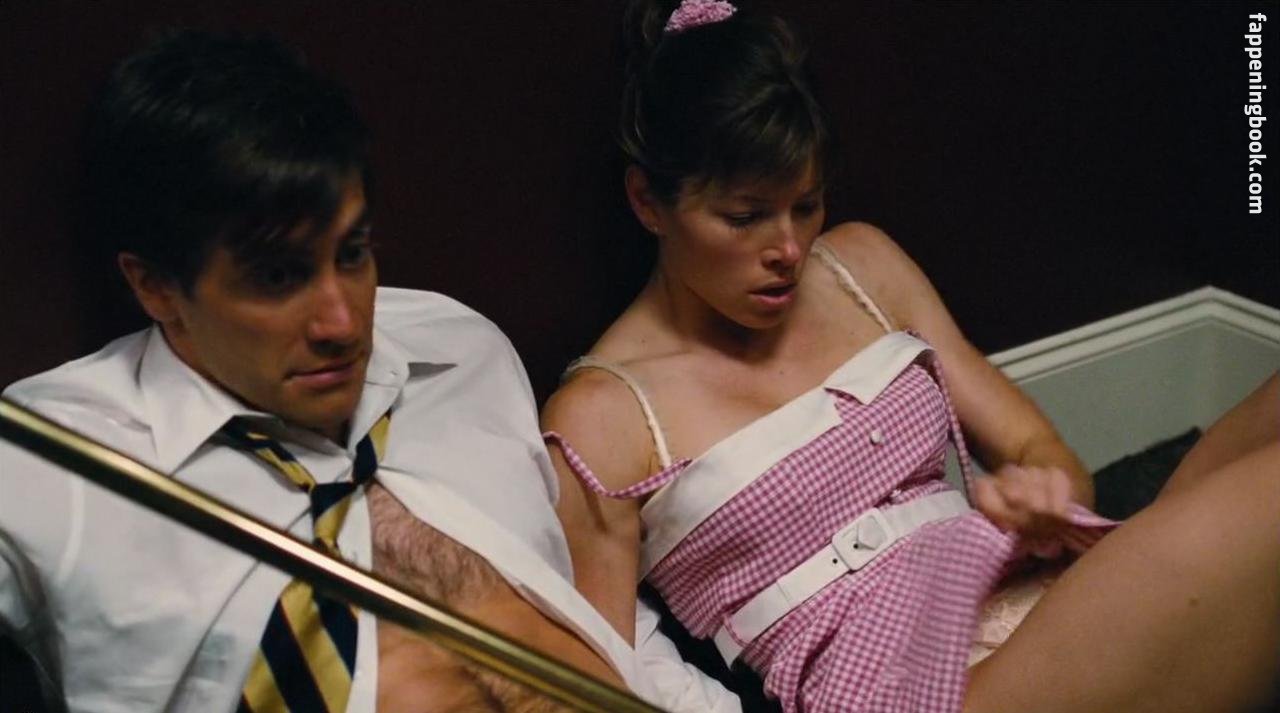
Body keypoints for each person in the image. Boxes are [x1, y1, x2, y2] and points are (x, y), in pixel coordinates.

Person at [540, 1, 1280, 711]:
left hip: (1021, 584)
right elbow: (601, 678)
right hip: (913, 688)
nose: (789, 248)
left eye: (807, 204)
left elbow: (1046, 454)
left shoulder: (861, 266)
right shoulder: (602, 417)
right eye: (746, 216)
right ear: (648, 202)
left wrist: (1042, 498)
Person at [0, 30, 741, 713]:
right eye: (278, 276)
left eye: (352, 254)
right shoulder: (49, 458)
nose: (343, 322)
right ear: (157, 286)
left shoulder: (460, 352)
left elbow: (587, 602)